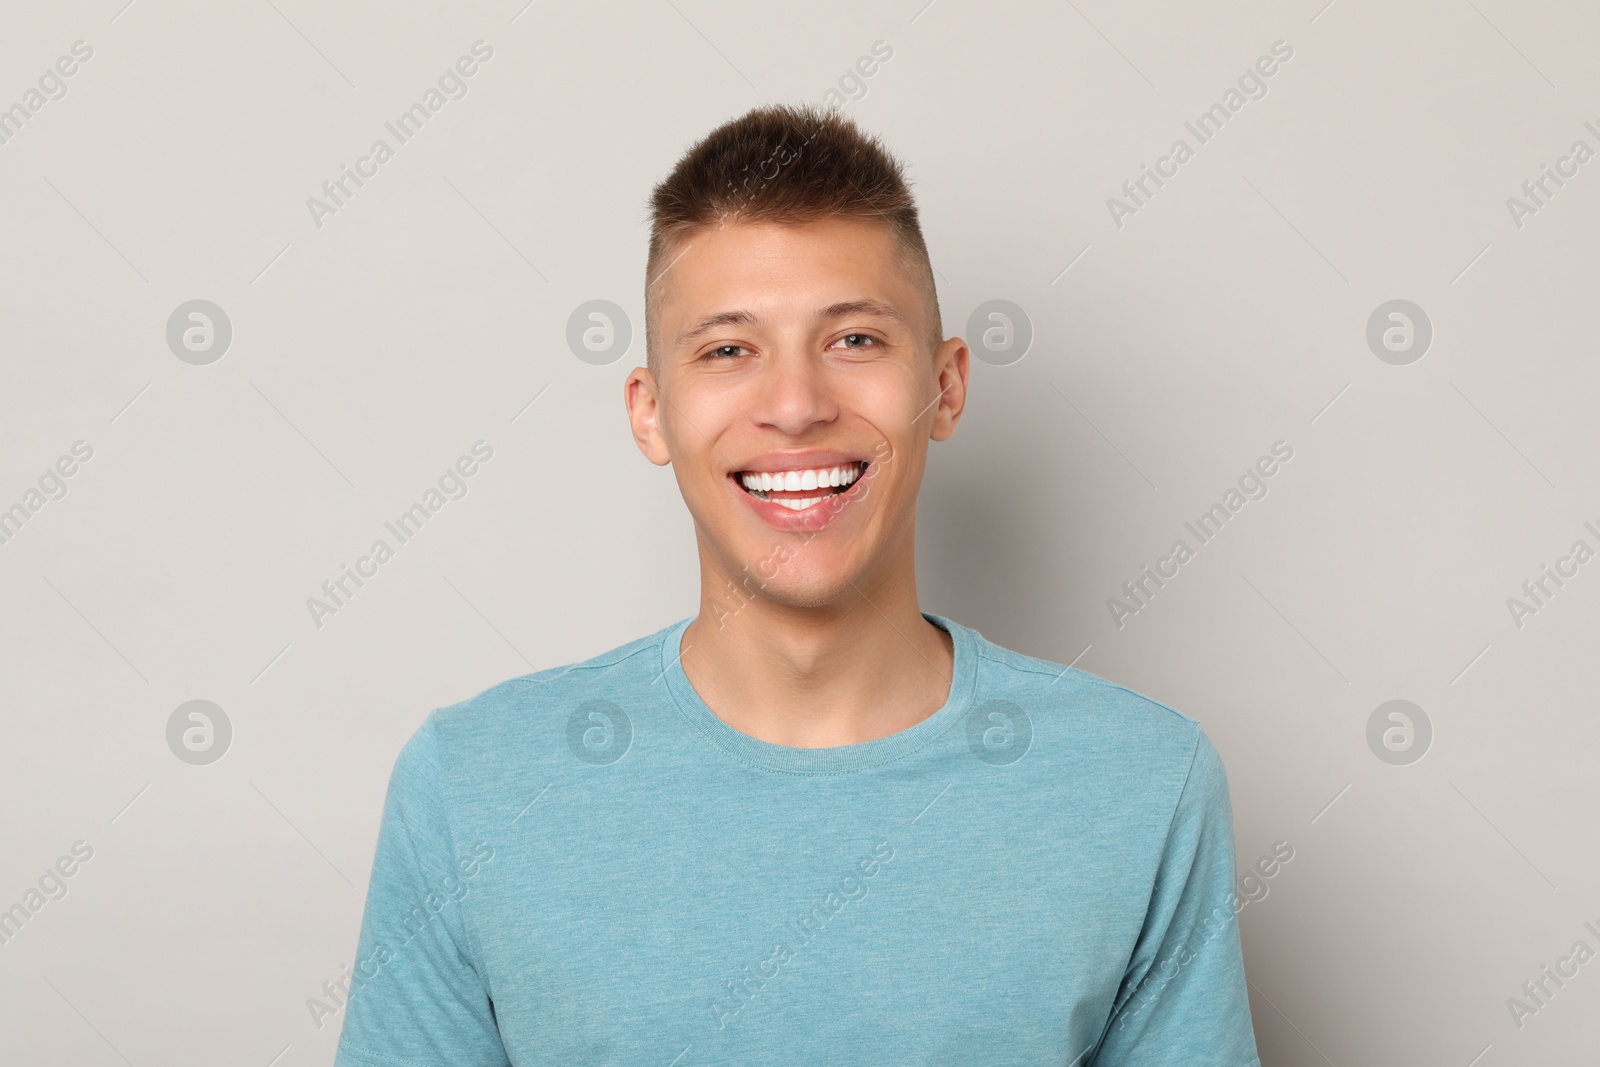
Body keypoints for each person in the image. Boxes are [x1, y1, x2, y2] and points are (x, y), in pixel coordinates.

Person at [333, 103, 1261, 1066]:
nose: (796, 406)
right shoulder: (473, 786)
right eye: (728, 349)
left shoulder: (1142, 783)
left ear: (944, 388)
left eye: (854, 339)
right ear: (650, 414)